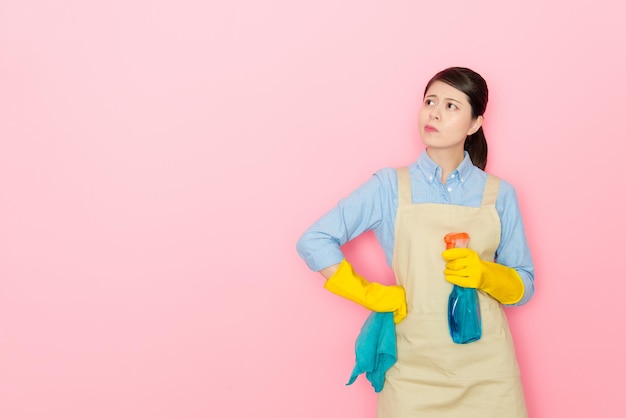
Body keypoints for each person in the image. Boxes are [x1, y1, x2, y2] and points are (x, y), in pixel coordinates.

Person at [296, 67, 534, 417]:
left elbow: (524, 284)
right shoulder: (389, 187)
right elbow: (313, 240)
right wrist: (368, 292)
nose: (434, 112)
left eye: (451, 105)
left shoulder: (499, 194)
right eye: (430, 101)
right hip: (413, 371)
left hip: (489, 374)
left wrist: (486, 275)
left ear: (474, 124)